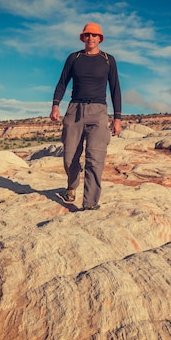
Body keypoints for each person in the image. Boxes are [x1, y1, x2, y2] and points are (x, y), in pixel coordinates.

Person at [50, 22, 122, 211]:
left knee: (95, 158)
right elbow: (62, 82)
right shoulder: (74, 58)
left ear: (100, 38)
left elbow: (115, 89)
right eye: (87, 35)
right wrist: (55, 105)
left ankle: (90, 203)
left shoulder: (108, 60)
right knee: (69, 158)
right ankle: (72, 186)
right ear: (83, 37)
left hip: (98, 112)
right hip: (75, 110)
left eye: (94, 35)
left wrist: (117, 118)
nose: (91, 38)